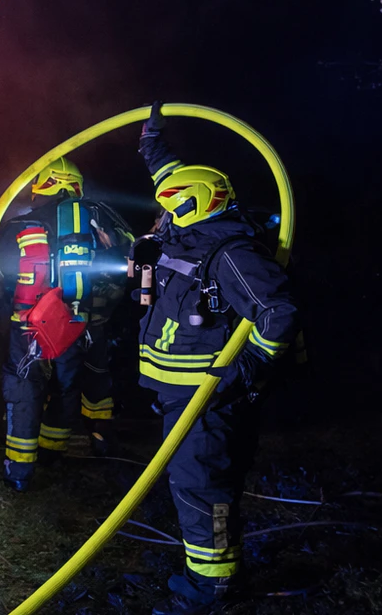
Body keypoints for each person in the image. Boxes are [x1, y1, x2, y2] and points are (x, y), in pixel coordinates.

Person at [133, 103, 299, 615]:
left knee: (202, 487)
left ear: (198, 205)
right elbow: (170, 175)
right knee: (195, 484)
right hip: (177, 391)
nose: (164, 215)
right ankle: (212, 573)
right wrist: (150, 139)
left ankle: (211, 588)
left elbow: (278, 312)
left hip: (205, 396)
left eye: (174, 206)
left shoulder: (230, 252)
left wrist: (246, 369)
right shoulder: (192, 228)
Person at [0, 156, 133, 491]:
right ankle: (54, 449)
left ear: (41, 186)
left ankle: (19, 473)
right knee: (67, 384)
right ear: (76, 186)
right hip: (80, 321)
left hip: (30, 323)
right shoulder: (100, 219)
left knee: (23, 387)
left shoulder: (20, 224)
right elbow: (133, 253)